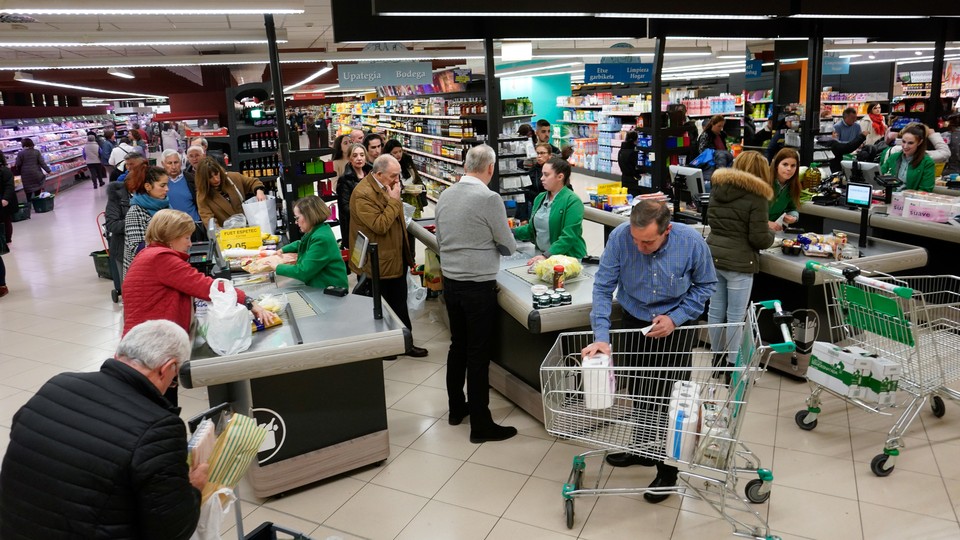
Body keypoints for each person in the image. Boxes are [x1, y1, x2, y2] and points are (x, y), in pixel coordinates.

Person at [0, 319, 208, 540]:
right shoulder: (159, 427)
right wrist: (193, 489)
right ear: (167, 368)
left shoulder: (58, 385)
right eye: (173, 380)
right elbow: (172, 530)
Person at [581, 200, 717, 504]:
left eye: (648, 241)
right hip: (634, 319)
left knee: (669, 397)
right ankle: (642, 448)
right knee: (641, 387)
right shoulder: (619, 239)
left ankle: (668, 470)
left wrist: (676, 318)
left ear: (666, 231)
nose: (640, 247)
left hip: (675, 323)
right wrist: (601, 338)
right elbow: (603, 288)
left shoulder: (691, 242)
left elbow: (706, 285)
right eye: (636, 239)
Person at [435, 145, 518, 442]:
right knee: (478, 354)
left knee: (457, 346)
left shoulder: (446, 195)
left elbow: (440, 239)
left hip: (452, 283)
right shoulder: (489, 198)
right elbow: (508, 245)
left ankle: (456, 409)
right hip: (478, 286)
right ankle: (481, 425)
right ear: (490, 168)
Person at [122, 209, 276, 337]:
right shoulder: (161, 258)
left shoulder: (149, 254)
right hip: (151, 342)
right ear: (171, 237)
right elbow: (205, 286)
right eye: (187, 237)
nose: (190, 244)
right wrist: (249, 302)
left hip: (143, 337)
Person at [349, 154, 428, 358]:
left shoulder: (386, 186)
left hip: (394, 256)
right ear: (378, 174)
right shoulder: (363, 194)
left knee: (399, 302)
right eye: (393, 176)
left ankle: (404, 344)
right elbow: (380, 225)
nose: (397, 180)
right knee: (382, 306)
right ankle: (386, 347)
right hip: (378, 261)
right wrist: (394, 201)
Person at [705, 151, 775, 375]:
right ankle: (731, 366)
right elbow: (758, 238)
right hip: (740, 262)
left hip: (714, 257)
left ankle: (716, 360)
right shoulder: (757, 196)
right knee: (736, 316)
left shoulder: (718, 188)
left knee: (715, 311)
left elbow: (713, 221)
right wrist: (772, 235)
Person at [512, 156, 586, 264]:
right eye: (542, 174)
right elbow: (531, 230)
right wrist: (511, 232)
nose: (541, 178)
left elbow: (569, 236)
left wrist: (547, 255)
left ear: (560, 177)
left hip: (568, 259)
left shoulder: (573, 201)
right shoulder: (540, 198)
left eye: (546, 175)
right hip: (543, 256)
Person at [264, 196, 348, 289]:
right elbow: (302, 243)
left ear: (309, 216)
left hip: (331, 291)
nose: (296, 222)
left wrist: (277, 267)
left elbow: (303, 272)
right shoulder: (319, 230)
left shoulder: (321, 238)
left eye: (297, 218)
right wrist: (282, 250)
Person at [105, 154, 147, 295]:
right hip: (123, 249)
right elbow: (111, 224)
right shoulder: (117, 194)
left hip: (147, 251)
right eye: (127, 165)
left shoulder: (150, 195)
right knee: (131, 291)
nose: (129, 168)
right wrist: (136, 223)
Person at [123, 166, 170, 278]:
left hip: (164, 266)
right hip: (143, 274)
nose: (167, 189)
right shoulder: (136, 211)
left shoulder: (164, 205)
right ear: (148, 186)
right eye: (162, 185)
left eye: (167, 185)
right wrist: (169, 245)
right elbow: (138, 247)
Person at [194, 157, 266, 227]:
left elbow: (253, 182)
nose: (216, 179)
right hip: (227, 234)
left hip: (249, 227)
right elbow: (209, 221)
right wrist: (220, 234)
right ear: (204, 179)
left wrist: (259, 191)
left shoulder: (233, 178)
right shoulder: (202, 196)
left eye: (216, 174)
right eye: (210, 177)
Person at [880, 123, 936, 192]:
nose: (905, 146)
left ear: (919, 142)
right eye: (903, 142)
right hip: (890, 198)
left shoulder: (927, 162)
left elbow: (925, 189)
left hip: (912, 201)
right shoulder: (894, 157)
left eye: (910, 143)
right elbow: (880, 175)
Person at [337, 143, 371, 249]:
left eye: (362, 155)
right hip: (354, 225)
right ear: (349, 158)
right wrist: (364, 214)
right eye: (355, 155)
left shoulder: (372, 174)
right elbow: (345, 207)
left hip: (371, 223)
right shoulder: (345, 180)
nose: (359, 158)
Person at [767, 148, 803, 231]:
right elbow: (747, 212)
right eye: (785, 164)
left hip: (774, 231)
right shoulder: (763, 181)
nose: (789, 169)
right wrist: (766, 223)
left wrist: (794, 216)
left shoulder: (794, 186)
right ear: (776, 165)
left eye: (793, 165)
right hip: (755, 229)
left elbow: (791, 208)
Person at [161, 149, 199, 221]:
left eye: (176, 162)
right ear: (163, 164)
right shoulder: (158, 183)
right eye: (169, 163)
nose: (173, 167)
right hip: (170, 226)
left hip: (193, 224)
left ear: (181, 163)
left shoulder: (193, 179)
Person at [14, 137, 51, 204]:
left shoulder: (20, 153)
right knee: (37, 189)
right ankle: (38, 203)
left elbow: (18, 164)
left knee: (28, 191)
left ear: (23, 145)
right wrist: (49, 171)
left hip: (26, 175)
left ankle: (29, 204)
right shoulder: (36, 152)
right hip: (36, 173)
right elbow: (42, 163)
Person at [618, 130, 640, 195]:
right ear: (634, 141)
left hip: (624, 179)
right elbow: (634, 167)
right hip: (633, 181)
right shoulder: (632, 152)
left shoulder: (621, 151)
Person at [1, 153, 16, 247]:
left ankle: (8, 241)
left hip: (4, 200)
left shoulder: (5, 171)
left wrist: (5, 198)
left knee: (6, 219)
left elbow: (10, 186)